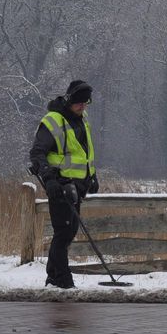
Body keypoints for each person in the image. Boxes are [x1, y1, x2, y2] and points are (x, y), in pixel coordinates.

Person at [28, 79, 98, 289]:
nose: (83, 107)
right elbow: (37, 153)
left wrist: (92, 176)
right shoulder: (53, 121)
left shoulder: (82, 120)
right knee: (64, 232)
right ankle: (61, 279)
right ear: (69, 100)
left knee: (70, 230)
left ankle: (54, 276)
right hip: (60, 185)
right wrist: (49, 180)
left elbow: (85, 153)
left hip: (78, 186)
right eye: (79, 103)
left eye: (86, 103)